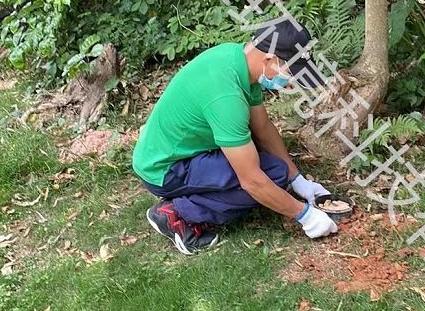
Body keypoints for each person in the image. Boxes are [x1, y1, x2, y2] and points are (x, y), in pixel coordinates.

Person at [132, 19, 338, 254]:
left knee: (277, 171)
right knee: (269, 176)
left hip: (180, 150)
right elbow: (252, 182)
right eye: (291, 72)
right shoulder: (226, 98)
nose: (292, 82)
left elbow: (262, 127)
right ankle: (177, 214)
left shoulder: (237, 60)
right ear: (269, 59)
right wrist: (306, 216)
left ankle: (193, 195)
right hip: (164, 169)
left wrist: (298, 180)